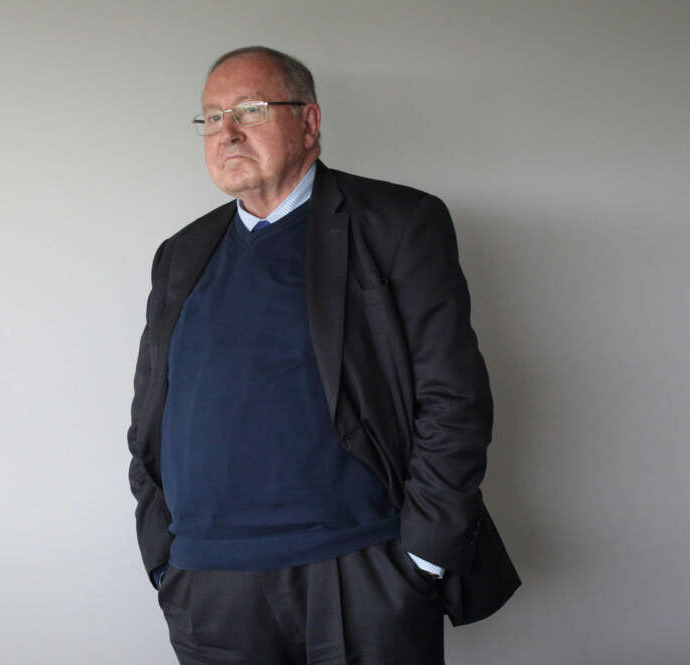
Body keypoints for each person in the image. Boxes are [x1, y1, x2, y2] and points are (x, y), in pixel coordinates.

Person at [126, 45, 520, 665]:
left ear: (308, 122)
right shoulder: (180, 254)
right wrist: (163, 557)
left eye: (250, 110)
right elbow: (149, 414)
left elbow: (454, 397)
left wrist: (421, 557)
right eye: (213, 117)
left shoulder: (398, 223)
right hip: (208, 586)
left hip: (360, 571)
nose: (227, 133)